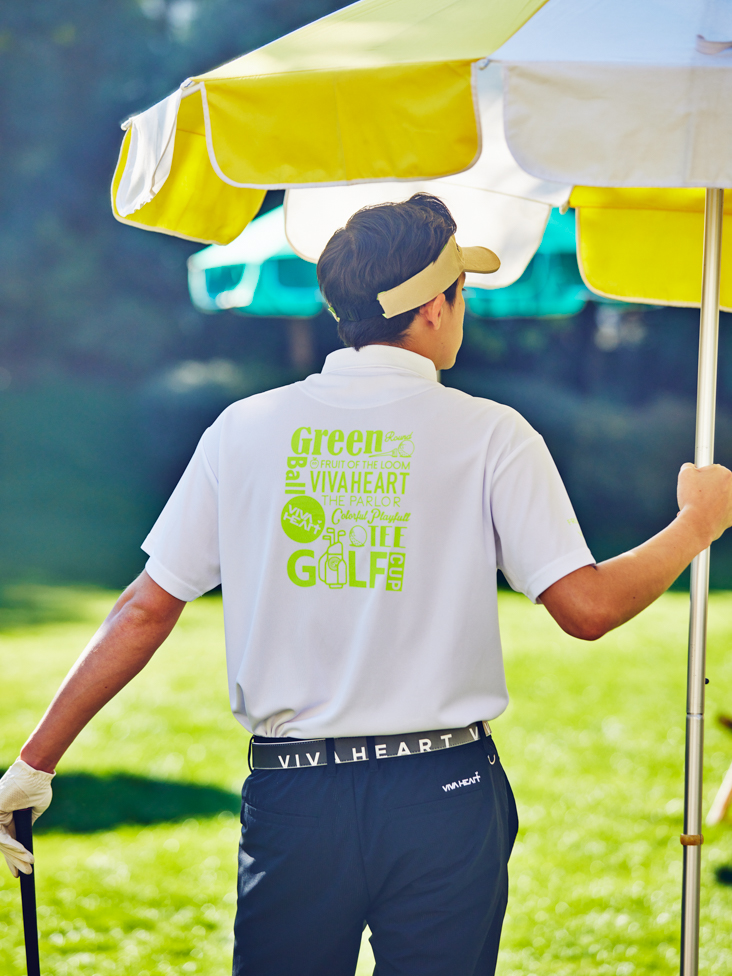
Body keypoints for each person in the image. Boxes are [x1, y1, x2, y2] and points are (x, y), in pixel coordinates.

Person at [2, 193, 732, 976]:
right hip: (446, 791)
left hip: (296, 800)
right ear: (433, 306)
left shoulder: (243, 429)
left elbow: (146, 608)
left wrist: (33, 765)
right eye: (462, 291)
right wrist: (696, 524)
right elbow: (586, 609)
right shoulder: (493, 434)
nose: (463, 309)